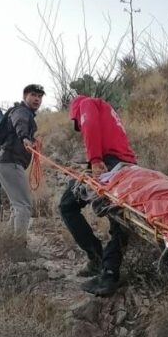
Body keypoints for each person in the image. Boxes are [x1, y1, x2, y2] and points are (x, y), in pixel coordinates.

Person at [62, 95, 137, 297]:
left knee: (67, 205)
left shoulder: (85, 104)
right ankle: (109, 270)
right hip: (128, 164)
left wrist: (94, 160)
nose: (78, 126)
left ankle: (100, 263)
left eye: (76, 123)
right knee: (119, 219)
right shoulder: (106, 108)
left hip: (108, 163)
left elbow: (90, 125)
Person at [0, 84, 44, 242]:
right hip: (10, 163)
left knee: (18, 205)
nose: (37, 99)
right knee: (24, 206)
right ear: (24, 96)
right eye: (33, 95)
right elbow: (19, 123)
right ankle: (18, 244)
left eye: (40, 96)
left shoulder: (24, 112)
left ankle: (7, 242)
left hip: (5, 163)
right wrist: (25, 138)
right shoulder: (22, 111)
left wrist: (31, 139)